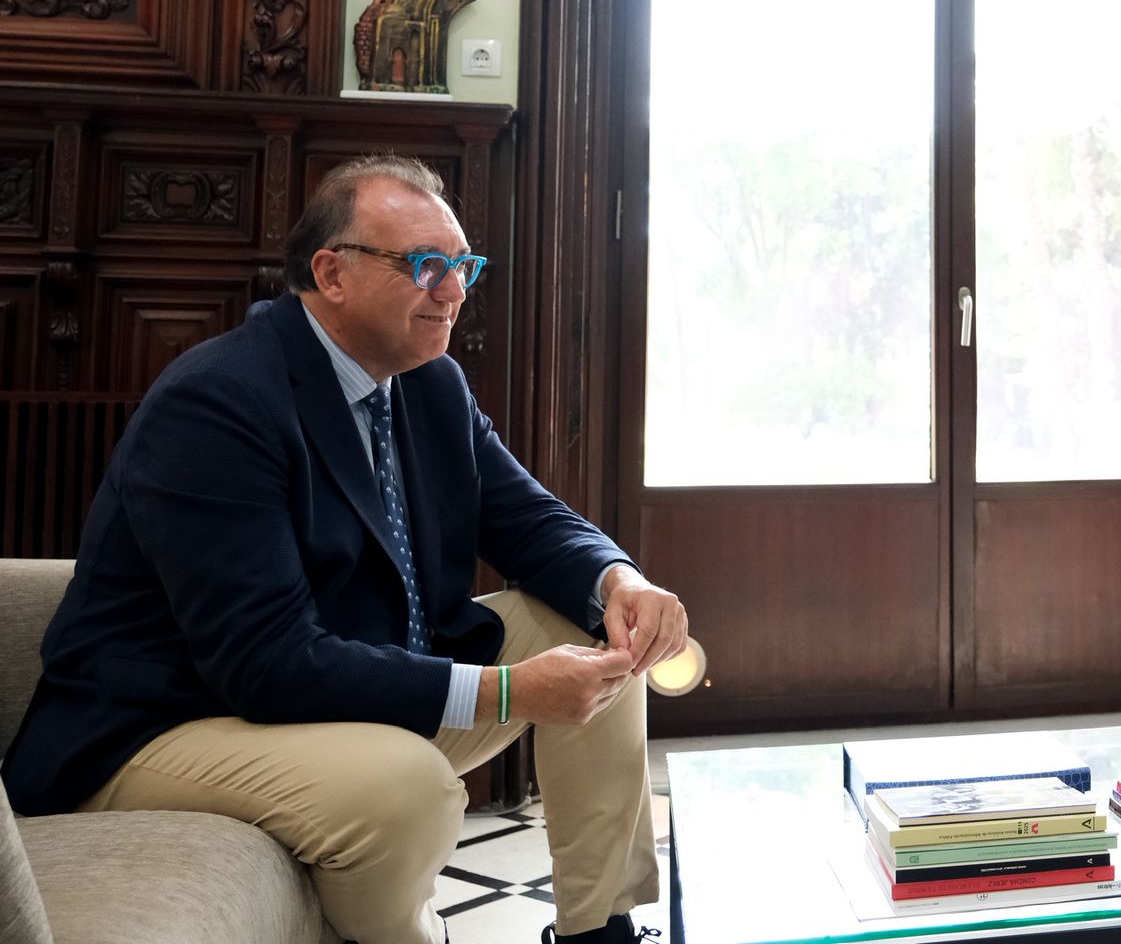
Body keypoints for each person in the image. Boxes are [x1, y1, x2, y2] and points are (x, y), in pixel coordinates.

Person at [2, 156, 680, 944]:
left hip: (342, 689)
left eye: (463, 266)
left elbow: (527, 518)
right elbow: (264, 662)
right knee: (409, 789)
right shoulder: (218, 401)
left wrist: (618, 580)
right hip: (168, 722)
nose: (453, 291)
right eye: (425, 265)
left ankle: (599, 931)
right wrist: (506, 693)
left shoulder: (430, 383)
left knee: (603, 629)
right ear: (332, 273)